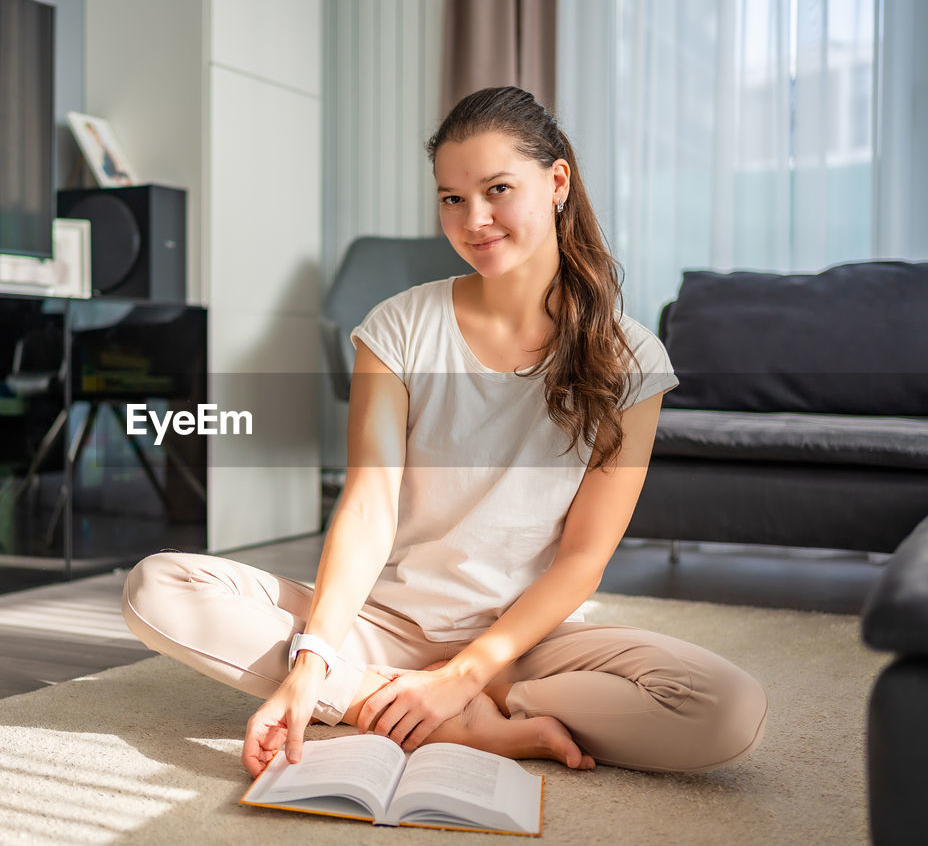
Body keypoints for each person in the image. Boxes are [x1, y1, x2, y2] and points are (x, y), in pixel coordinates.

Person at [121, 86, 767, 777]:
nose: (474, 219)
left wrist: (465, 671)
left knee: (726, 709)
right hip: (387, 625)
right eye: (452, 198)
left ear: (556, 183)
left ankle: (450, 699)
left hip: (528, 638)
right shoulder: (397, 328)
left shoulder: (632, 359)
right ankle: (452, 722)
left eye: (496, 189)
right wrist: (314, 658)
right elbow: (368, 506)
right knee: (156, 585)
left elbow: (583, 559)